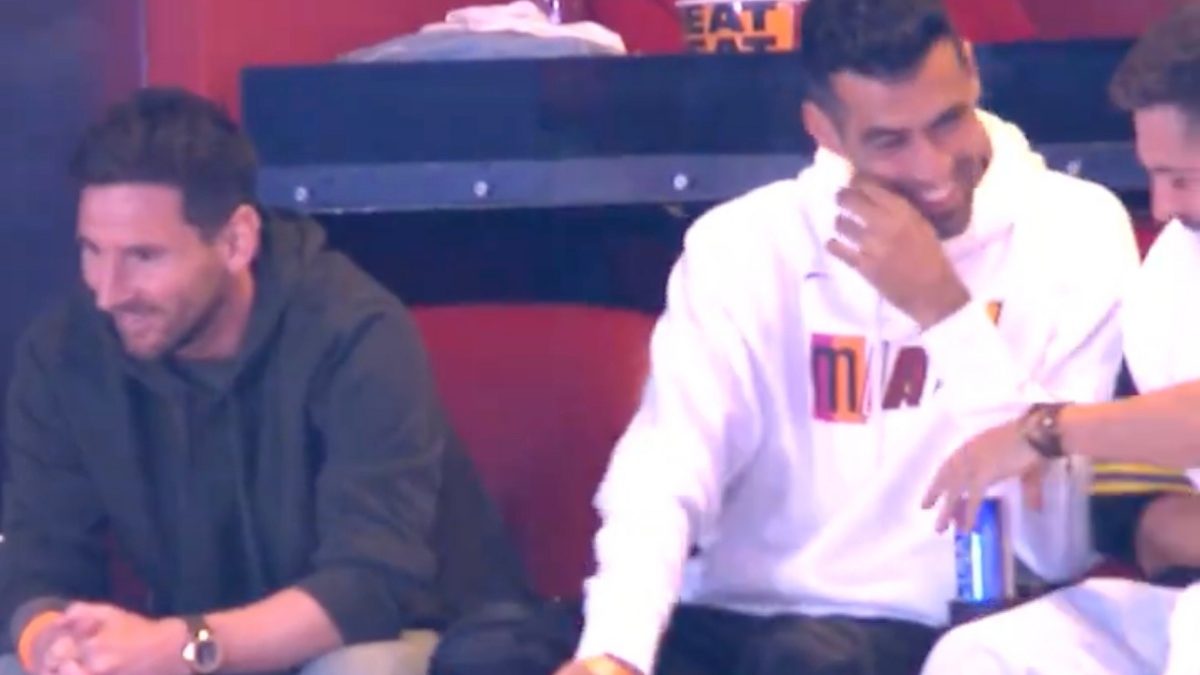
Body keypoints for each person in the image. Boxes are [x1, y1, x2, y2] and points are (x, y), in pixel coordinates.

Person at [428, 0, 1140, 674]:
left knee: (806, 660)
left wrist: (944, 313)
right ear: (822, 129)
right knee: (487, 654)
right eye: (890, 141)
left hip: (930, 625)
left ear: (972, 71)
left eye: (948, 121)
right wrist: (615, 652)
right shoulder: (744, 242)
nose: (932, 168)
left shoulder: (1075, 229)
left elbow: (1059, 540)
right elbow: (666, 468)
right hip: (731, 612)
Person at [0, 87, 528, 675]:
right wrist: (52, 643)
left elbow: (368, 587)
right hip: (186, 645)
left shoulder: (356, 332)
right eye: (92, 251)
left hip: (400, 637)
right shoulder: (62, 352)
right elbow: (37, 562)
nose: (108, 292)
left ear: (236, 241)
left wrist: (182, 646)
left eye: (143, 257)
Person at [920, 4, 1200, 673]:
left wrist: (1045, 430)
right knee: (984, 653)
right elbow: (1139, 487)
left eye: (1182, 179)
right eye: (1153, 175)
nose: (1162, 205)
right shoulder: (1173, 273)